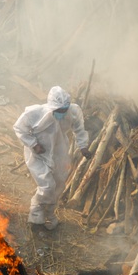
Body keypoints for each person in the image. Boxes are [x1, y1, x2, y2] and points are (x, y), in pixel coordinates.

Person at [13, 86, 91, 230]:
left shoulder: (73, 111)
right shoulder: (35, 113)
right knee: (47, 186)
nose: (61, 113)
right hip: (38, 154)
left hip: (59, 152)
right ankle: (36, 217)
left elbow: (79, 129)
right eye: (58, 110)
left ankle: (49, 214)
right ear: (51, 107)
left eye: (64, 110)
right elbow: (19, 128)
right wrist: (34, 144)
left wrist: (83, 146)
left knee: (59, 183)